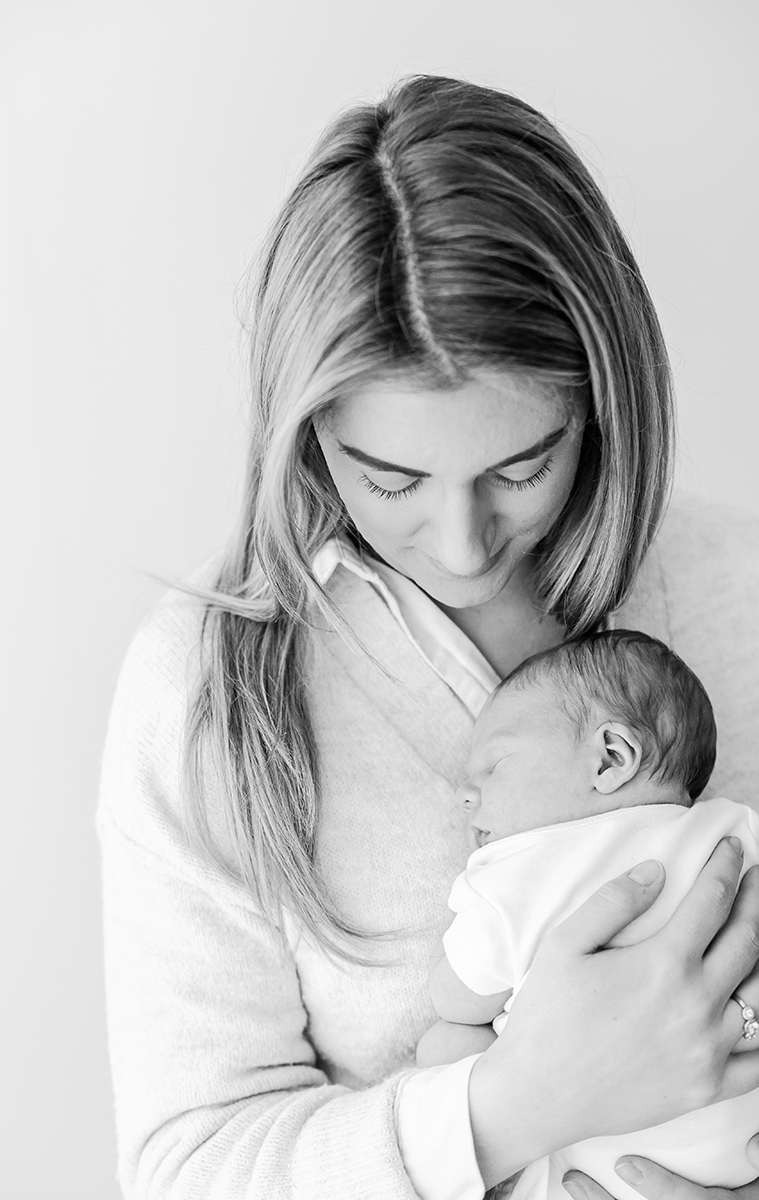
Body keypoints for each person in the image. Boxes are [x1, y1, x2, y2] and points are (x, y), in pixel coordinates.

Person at [97, 75, 759, 1200]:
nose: (459, 545)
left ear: (603, 402)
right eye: (389, 478)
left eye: (520, 466)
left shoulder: (732, 582)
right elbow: (188, 1167)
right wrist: (510, 1109)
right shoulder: (204, 697)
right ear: (304, 438)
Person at [417, 630, 759, 1199]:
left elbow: (459, 997)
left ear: (611, 758)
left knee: (444, 1044)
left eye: (495, 764)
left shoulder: (521, 871)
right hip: (738, 1142)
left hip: (596, 1168)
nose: (466, 794)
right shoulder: (734, 827)